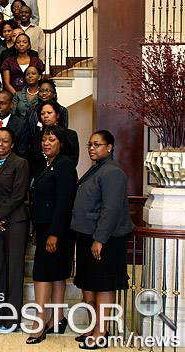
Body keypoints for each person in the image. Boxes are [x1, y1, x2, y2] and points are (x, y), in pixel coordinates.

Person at [71, 130, 134, 349]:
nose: (91, 148)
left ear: (109, 147)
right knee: (90, 282)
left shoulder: (112, 171)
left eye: (97, 145)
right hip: (88, 235)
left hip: (105, 238)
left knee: (103, 285)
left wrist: (99, 239)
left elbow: (111, 208)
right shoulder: (97, 168)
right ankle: (92, 327)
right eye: (90, 144)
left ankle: (101, 333)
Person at [26, 125, 78, 344]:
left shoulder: (65, 165)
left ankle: (40, 322)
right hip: (45, 227)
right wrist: (38, 230)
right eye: (44, 140)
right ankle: (57, 319)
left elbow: (64, 202)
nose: (46, 144)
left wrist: (54, 234)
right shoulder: (45, 165)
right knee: (56, 274)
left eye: (52, 140)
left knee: (42, 274)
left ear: (62, 143)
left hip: (58, 230)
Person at [0, 127, 29, 331]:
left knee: (13, 271)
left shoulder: (20, 163)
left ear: (12, 144)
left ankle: (11, 321)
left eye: (4, 141)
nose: (0, 144)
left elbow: (19, 195)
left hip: (15, 222)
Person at [28, 100, 79, 178]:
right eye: (42, 114)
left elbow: (73, 159)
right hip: (39, 177)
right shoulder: (36, 137)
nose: (45, 116)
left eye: (49, 113)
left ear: (57, 115)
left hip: (62, 176)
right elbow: (32, 161)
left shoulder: (70, 135)